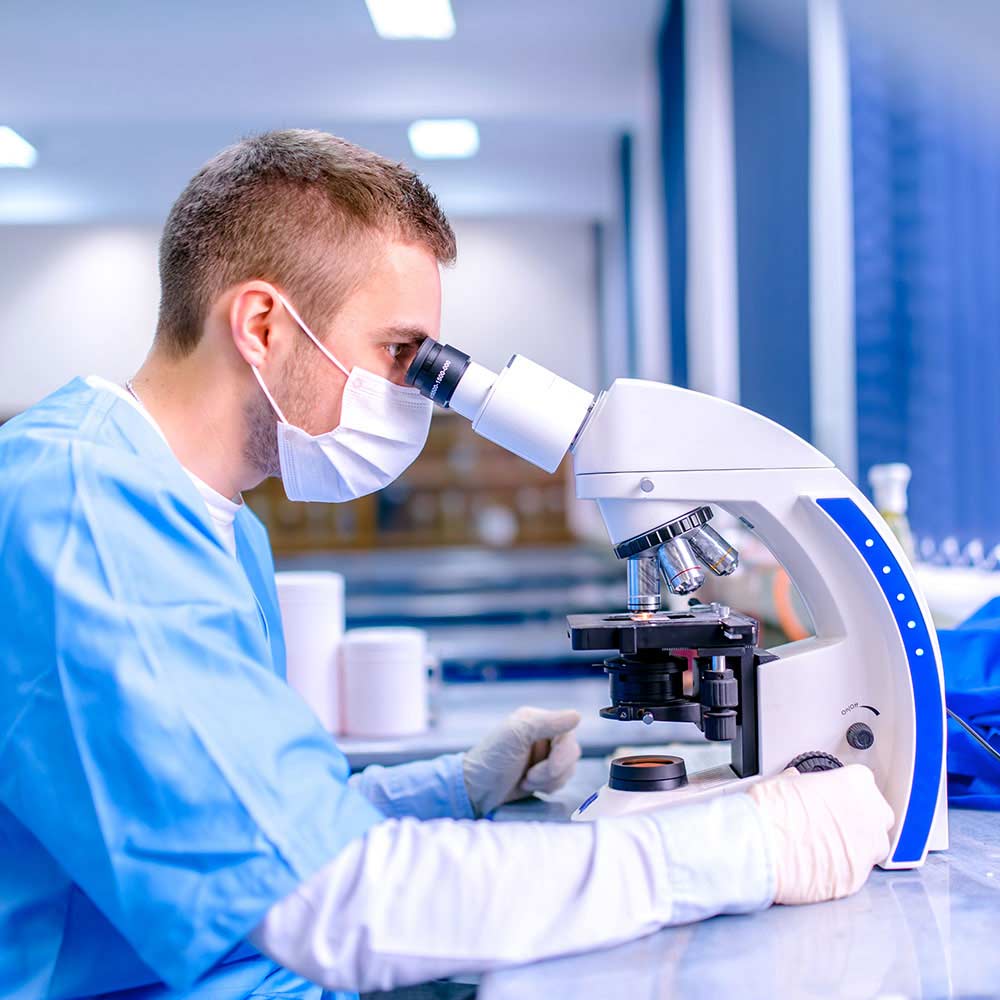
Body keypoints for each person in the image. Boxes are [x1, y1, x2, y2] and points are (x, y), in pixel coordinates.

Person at [0, 130, 894, 1000]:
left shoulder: (217, 523)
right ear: (264, 324)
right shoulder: (84, 514)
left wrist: (449, 788)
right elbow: (327, 899)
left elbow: (233, 821)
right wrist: (744, 850)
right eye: (400, 355)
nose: (414, 396)